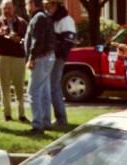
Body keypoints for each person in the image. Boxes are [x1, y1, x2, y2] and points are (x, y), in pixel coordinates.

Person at [0, 0, 27, 123]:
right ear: (1, 9)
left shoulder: (22, 23)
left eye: (9, 8)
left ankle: (22, 114)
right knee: (4, 87)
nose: (7, 10)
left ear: (13, 8)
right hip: (2, 58)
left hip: (18, 58)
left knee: (19, 87)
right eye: (5, 8)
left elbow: (28, 39)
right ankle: (7, 115)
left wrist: (19, 39)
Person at [24, 0, 55, 134]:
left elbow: (37, 40)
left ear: (32, 4)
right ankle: (46, 121)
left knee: (33, 92)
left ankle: (37, 125)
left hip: (41, 57)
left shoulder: (38, 18)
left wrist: (32, 57)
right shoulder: (45, 16)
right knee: (44, 92)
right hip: (48, 56)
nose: (25, 7)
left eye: (26, 4)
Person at [45, 0, 75, 129]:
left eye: (50, 5)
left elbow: (68, 42)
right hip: (51, 57)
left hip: (57, 58)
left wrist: (55, 53)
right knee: (52, 87)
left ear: (57, 5)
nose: (47, 8)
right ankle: (59, 118)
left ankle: (61, 119)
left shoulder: (65, 20)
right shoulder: (53, 19)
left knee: (54, 87)